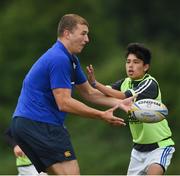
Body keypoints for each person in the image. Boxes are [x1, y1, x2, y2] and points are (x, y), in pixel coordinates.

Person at [11, 14, 134, 175]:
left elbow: (89, 93)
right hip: (40, 124)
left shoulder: (71, 60)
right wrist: (101, 115)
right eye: (83, 33)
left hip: (29, 124)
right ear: (67, 33)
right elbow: (64, 103)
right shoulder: (59, 59)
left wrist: (119, 104)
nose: (87, 39)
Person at [86, 43, 175, 175]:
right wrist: (80, 82)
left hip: (160, 146)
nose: (130, 65)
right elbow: (100, 93)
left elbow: (122, 96)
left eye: (136, 62)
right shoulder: (124, 82)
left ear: (146, 67)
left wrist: (94, 83)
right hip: (138, 150)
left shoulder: (150, 83)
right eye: (128, 62)